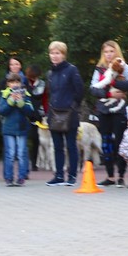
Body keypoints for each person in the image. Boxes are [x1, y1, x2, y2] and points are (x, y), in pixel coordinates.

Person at [90, 41, 128, 186]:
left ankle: (121, 175)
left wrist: (113, 83)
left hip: (119, 110)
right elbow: (93, 89)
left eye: (111, 51)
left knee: (120, 142)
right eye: (106, 52)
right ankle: (110, 176)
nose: (109, 54)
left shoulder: (124, 67)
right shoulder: (99, 69)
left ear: (117, 52)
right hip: (104, 109)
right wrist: (109, 94)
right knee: (106, 142)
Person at [44, 41, 85, 186]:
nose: (54, 56)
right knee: (57, 146)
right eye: (52, 53)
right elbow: (50, 92)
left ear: (63, 55)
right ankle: (59, 175)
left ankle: (72, 175)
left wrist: (73, 106)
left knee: (71, 145)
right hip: (54, 113)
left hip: (69, 113)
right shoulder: (50, 73)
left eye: (57, 53)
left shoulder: (71, 70)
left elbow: (80, 90)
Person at [0, 72, 36, 186]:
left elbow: (30, 111)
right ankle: (8, 178)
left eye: (17, 82)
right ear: (8, 84)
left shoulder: (25, 94)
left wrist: (21, 103)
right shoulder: (4, 94)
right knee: (10, 154)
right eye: (12, 82)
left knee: (21, 154)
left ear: (20, 83)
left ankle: (21, 177)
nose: (15, 84)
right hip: (8, 128)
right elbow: (1, 111)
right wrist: (10, 102)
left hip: (21, 128)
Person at [25, 63, 47, 175]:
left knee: (36, 139)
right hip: (26, 114)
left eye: (35, 76)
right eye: (32, 76)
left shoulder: (42, 84)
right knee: (27, 139)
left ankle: (35, 163)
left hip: (39, 115)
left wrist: (45, 113)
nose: (34, 79)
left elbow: (45, 99)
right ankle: (28, 163)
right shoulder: (23, 84)